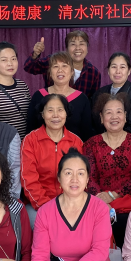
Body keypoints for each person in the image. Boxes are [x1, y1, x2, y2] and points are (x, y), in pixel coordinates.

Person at [84, 93, 131, 248]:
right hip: (99, 201)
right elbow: (88, 177)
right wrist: (101, 201)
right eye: (109, 112)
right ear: (101, 118)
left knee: (125, 222)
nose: (114, 117)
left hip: (130, 201)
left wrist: (113, 195)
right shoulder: (91, 144)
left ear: (125, 116)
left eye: (119, 112)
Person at [21, 94, 84, 222]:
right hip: (38, 204)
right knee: (44, 224)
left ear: (66, 113)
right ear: (42, 114)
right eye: (50, 110)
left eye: (60, 110)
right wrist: (48, 207)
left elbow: (81, 178)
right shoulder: (30, 140)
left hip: (70, 202)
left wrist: (69, 205)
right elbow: (28, 179)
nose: (55, 115)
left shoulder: (76, 141)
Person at [26, 51, 93, 141]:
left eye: (64, 66)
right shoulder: (38, 96)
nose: (60, 70)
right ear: (50, 73)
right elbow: (30, 129)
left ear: (72, 71)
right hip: (41, 148)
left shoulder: (82, 99)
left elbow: (87, 134)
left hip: (74, 149)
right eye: (55, 66)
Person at [24, 30, 101, 99]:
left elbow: (93, 100)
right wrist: (35, 54)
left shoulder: (94, 73)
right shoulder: (53, 61)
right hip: (52, 107)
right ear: (67, 49)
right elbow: (29, 67)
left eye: (81, 44)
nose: (78, 48)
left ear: (87, 49)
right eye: (73, 44)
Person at [91, 52, 131, 136]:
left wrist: (114, 139)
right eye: (114, 67)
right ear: (108, 71)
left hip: (127, 142)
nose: (118, 71)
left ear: (129, 71)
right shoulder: (100, 93)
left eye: (122, 67)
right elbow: (93, 123)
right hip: (101, 141)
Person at [0, 42, 31, 139]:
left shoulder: (23, 85)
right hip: (2, 143)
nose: (10, 64)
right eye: (4, 60)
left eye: (13, 59)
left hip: (25, 143)